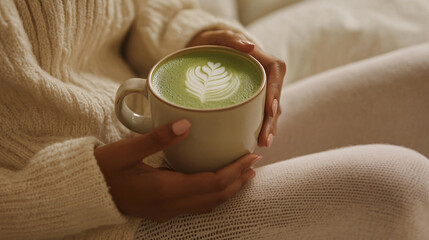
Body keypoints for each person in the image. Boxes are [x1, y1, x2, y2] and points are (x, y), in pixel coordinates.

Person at [1, 1, 429, 240]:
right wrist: (78, 193)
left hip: (166, 127)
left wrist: (196, 37)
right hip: (84, 219)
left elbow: (133, 9)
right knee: (398, 188)